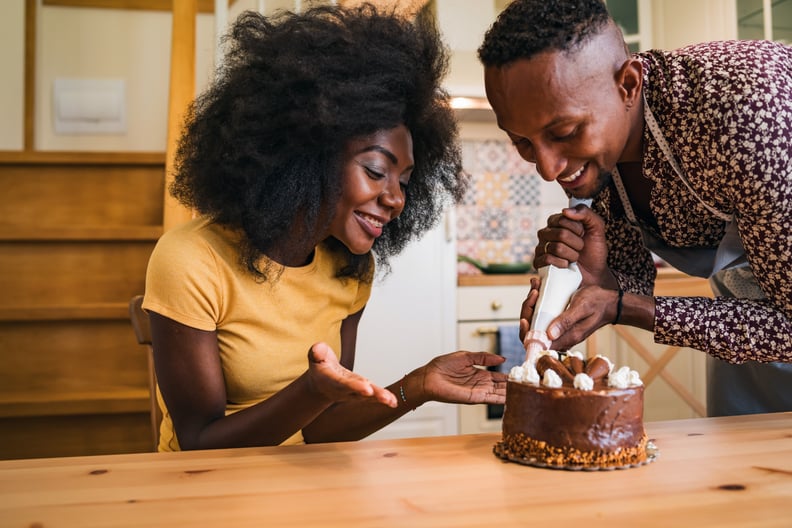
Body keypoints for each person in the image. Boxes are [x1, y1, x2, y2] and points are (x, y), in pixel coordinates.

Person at [143, 4, 507, 451]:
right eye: (376, 171)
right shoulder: (192, 259)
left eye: (405, 181)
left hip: (311, 484)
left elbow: (320, 430)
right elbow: (199, 441)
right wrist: (310, 392)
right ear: (308, 155)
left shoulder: (351, 269)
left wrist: (421, 383)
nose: (396, 198)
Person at [478, 0, 791, 416]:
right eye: (522, 142)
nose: (548, 169)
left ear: (628, 84)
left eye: (565, 132)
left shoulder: (744, 111)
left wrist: (624, 305)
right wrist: (595, 282)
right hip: (749, 334)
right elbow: (624, 285)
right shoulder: (599, 151)